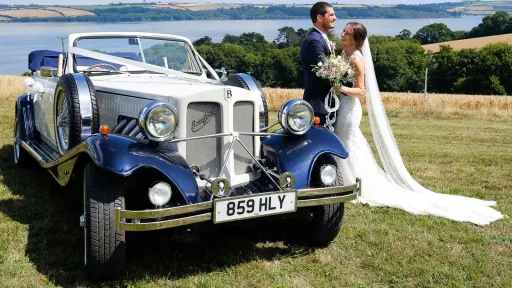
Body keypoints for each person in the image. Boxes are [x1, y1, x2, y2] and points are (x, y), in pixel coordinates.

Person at [332, 22, 505, 225]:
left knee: (347, 142)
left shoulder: (357, 59)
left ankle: (353, 184)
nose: (342, 34)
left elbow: (361, 92)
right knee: (344, 142)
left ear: (356, 40)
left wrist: (340, 87)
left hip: (350, 109)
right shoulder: (342, 56)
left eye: (347, 33)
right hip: (341, 105)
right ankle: (344, 180)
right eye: (343, 31)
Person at [300, 2, 337, 125]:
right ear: (320, 18)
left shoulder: (321, 38)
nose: (335, 18)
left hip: (325, 103)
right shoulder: (314, 41)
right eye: (331, 15)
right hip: (318, 105)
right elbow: (325, 72)